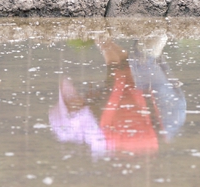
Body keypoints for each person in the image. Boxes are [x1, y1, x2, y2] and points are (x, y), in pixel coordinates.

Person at [48, 34, 186, 158]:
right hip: (165, 115)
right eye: (69, 102)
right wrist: (101, 39)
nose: (73, 96)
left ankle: (162, 26)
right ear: (73, 112)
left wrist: (102, 40)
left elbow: (119, 66)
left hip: (171, 119)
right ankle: (163, 23)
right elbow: (120, 70)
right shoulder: (100, 119)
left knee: (146, 52)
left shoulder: (96, 128)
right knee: (142, 56)